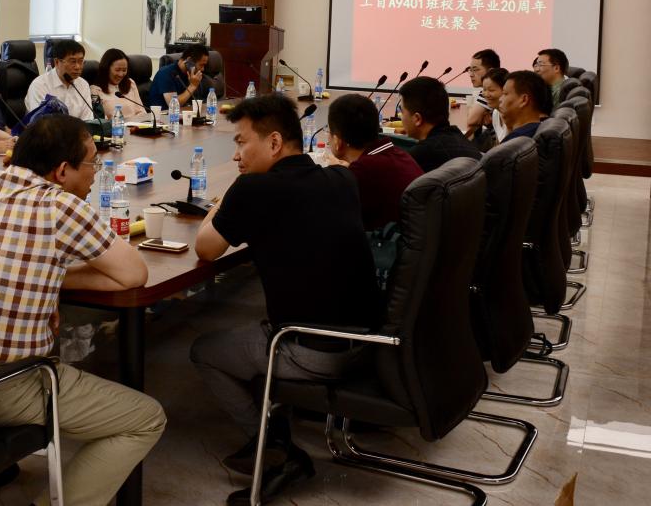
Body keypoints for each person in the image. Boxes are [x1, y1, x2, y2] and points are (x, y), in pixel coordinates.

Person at [0, 115, 165, 506]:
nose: (96, 172)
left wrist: (46, 276)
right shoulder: (60, 206)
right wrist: (53, 277)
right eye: (93, 163)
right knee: (146, 419)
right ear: (62, 170)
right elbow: (134, 274)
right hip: (5, 387)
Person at [189, 95, 382, 506]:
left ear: (274, 142)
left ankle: (274, 447)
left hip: (311, 349)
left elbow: (205, 248)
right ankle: (276, 426)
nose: (236, 155)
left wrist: (223, 200)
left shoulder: (254, 189)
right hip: (368, 342)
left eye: (242, 143)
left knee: (204, 350)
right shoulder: (342, 178)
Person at [327, 93, 423, 231]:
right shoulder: (398, 153)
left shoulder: (361, 173)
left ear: (337, 141)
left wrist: (340, 174)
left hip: (385, 243)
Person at [400, 76, 481, 173]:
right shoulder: (462, 141)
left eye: (402, 112)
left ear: (417, 119)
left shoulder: (420, 156)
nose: (401, 117)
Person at [24, 38, 93, 119]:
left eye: (81, 61)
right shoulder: (40, 85)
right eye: (73, 61)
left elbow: (87, 119)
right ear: (57, 62)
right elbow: (41, 121)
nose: (78, 67)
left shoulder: (83, 84)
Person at [91, 48, 146, 120]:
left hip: (136, 125)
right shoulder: (95, 90)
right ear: (106, 68)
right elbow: (102, 121)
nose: (121, 74)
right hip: (114, 126)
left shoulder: (130, 83)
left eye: (124, 70)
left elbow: (141, 111)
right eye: (117, 70)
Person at [148, 44, 209, 108]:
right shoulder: (165, 73)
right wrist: (192, 86)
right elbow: (173, 105)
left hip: (185, 112)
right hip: (164, 113)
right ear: (189, 60)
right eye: (201, 65)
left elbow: (200, 100)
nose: (203, 69)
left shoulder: (191, 74)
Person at [500, 70, 552, 141]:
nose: (500, 99)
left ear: (524, 100)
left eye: (505, 94)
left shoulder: (517, 139)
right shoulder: (541, 130)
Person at [465, 48, 501, 138]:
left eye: (475, 70)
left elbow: (471, 120)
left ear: (490, 71)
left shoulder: (492, 92)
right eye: (470, 70)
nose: (471, 74)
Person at [480, 67, 510, 145]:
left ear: (505, 90)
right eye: (484, 89)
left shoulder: (513, 117)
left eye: (491, 90)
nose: (486, 94)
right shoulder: (496, 113)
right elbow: (498, 146)